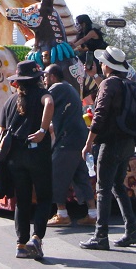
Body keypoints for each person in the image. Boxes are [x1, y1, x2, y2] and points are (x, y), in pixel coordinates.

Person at [81, 46, 136, 251]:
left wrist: (89, 142)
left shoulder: (110, 84)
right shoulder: (125, 83)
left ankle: (101, 235)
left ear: (107, 65)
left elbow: (99, 116)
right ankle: (132, 229)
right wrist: (97, 78)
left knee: (103, 189)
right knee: (117, 185)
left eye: (102, 63)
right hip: (127, 142)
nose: (100, 64)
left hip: (110, 143)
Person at [0, 60, 53, 260]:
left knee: (22, 201)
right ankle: (36, 238)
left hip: (15, 157)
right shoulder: (41, 95)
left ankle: (21, 245)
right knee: (45, 197)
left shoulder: (10, 101)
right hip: (37, 155)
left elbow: (1, 131)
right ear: (37, 79)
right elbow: (50, 103)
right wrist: (43, 130)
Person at [43, 64, 97, 228]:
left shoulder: (56, 88)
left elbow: (44, 105)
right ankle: (93, 213)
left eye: (45, 76)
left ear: (53, 76)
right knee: (80, 176)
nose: (43, 79)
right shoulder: (68, 88)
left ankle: (62, 214)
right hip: (78, 138)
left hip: (67, 140)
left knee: (55, 174)